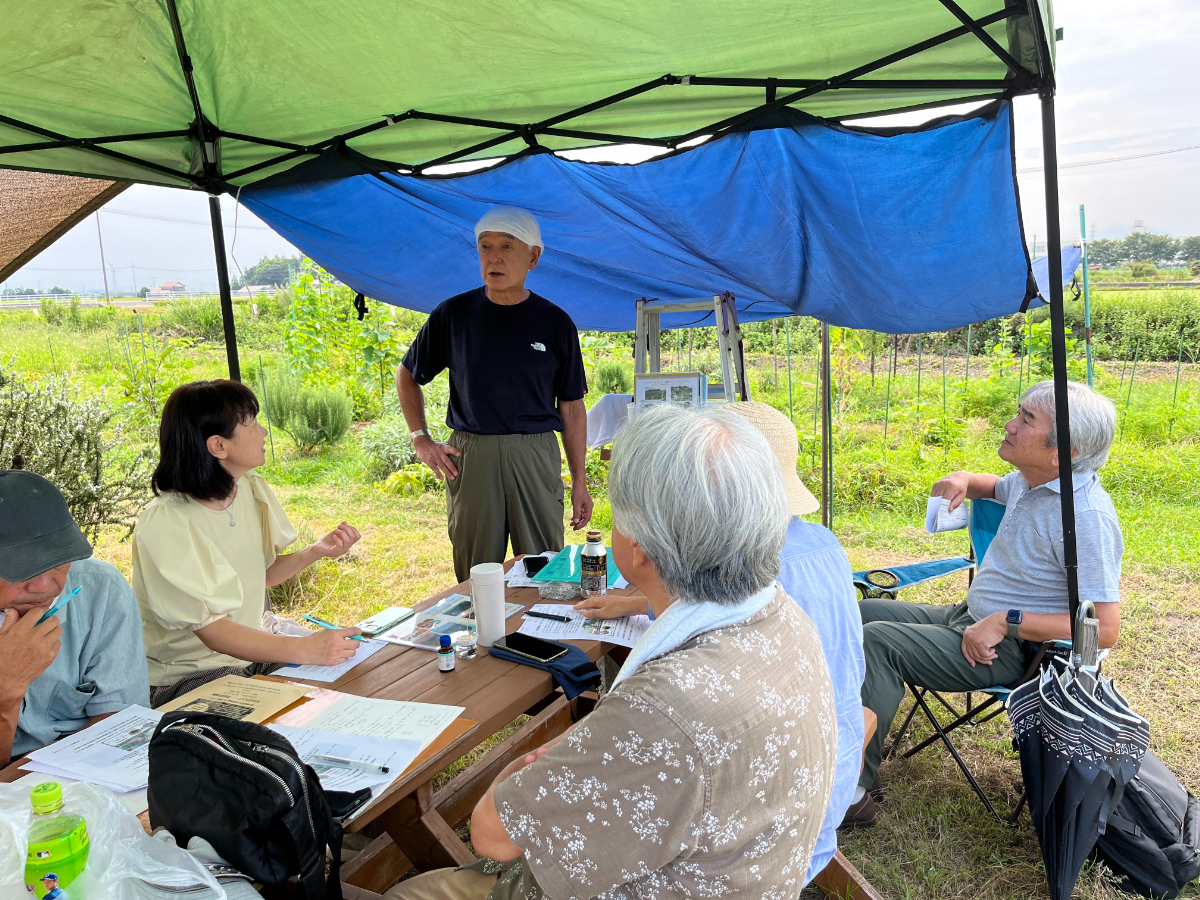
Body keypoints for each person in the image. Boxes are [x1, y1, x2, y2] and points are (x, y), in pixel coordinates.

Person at [385, 405, 837, 900]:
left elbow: (494, 835)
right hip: (749, 873)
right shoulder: (783, 617)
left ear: (638, 546)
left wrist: (539, 759)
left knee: (415, 893)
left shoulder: (668, 709)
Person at [574, 400, 865, 885]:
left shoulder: (767, 579)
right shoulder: (817, 545)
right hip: (822, 771)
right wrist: (636, 603)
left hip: (772, 825)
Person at [847, 380, 1123, 828]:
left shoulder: (1085, 517)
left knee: (878, 643)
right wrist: (963, 480)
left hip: (1013, 651)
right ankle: (837, 735)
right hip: (968, 620)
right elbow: (990, 484)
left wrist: (1006, 622)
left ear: (1063, 453)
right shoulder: (1033, 482)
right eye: (1018, 413)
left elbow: (1104, 629)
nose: (1011, 425)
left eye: (1026, 420)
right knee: (854, 614)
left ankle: (851, 790)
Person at [131, 380, 363, 707]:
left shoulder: (248, 488)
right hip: (189, 676)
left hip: (251, 659)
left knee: (350, 687)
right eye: (251, 424)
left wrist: (316, 551)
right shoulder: (167, 523)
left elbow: (262, 574)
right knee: (279, 727)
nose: (264, 432)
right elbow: (215, 632)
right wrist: (306, 647)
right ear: (218, 446)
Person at [396, 206, 592, 583]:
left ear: (533, 256)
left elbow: (571, 406)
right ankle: (480, 639)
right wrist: (421, 439)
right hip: (472, 455)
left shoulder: (555, 322)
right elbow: (408, 376)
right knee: (476, 574)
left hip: (534, 453)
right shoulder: (454, 315)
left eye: (506, 246)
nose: (494, 257)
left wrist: (580, 481)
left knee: (544, 569)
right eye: (485, 247)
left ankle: (538, 636)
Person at [0, 469, 149, 762]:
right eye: (21, 569)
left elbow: (123, 726)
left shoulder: (100, 589)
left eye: (57, 561)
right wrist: (7, 688)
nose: (45, 586)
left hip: (84, 772)